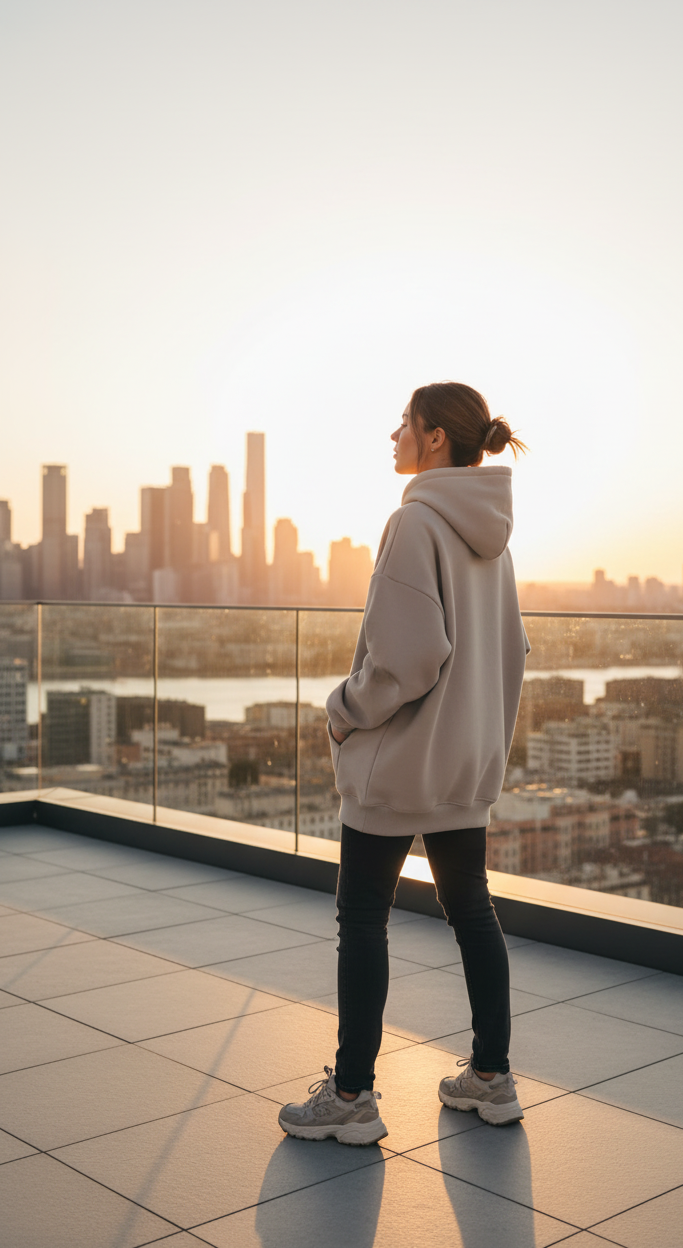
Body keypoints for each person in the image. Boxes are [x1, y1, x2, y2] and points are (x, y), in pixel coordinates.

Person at [278, 381, 529, 1146]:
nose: (394, 435)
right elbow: (511, 652)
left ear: (436, 438)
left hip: (399, 766)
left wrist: (344, 709)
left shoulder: (415, 521)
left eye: (405, 423)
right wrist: (482, 735)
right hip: (463, 765)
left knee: (362, 918)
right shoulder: (493, 538)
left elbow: (407, 659)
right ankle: (491, 1077)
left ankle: (352, 1096)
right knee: (472, 910)